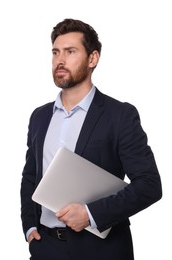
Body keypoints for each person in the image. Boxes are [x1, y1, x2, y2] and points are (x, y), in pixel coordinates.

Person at [20, 18, 162, 260]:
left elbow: (149, 185)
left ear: (92, 59)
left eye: (70, 51)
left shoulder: (120, 116)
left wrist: (90, 214)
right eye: (55, 52)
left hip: (99, 251)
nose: (60, 60)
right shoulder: (40, 116)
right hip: (46, 249)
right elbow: (31, 176)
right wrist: (30, 226)